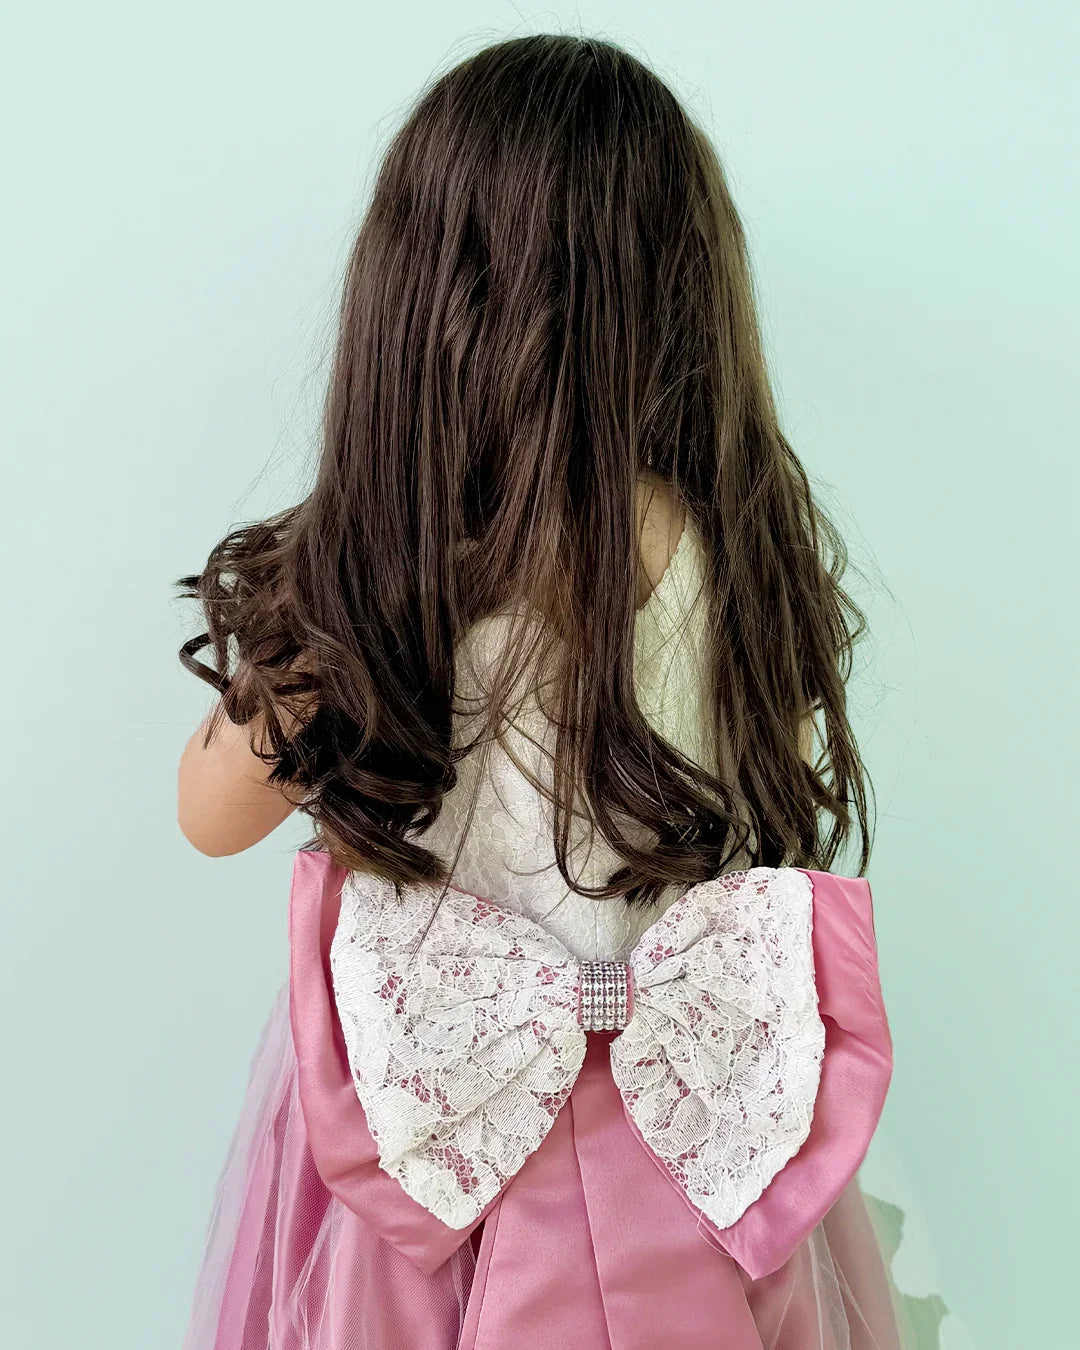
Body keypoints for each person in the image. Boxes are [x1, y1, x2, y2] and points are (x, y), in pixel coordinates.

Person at [176, 34, 912, 1349]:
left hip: (419, 1140)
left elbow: (210, 811)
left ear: (416, 305)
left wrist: (317, 640)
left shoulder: (372, 571)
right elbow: (760, 820)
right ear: (682, 297)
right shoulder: (732, 549)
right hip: (680, 1139)